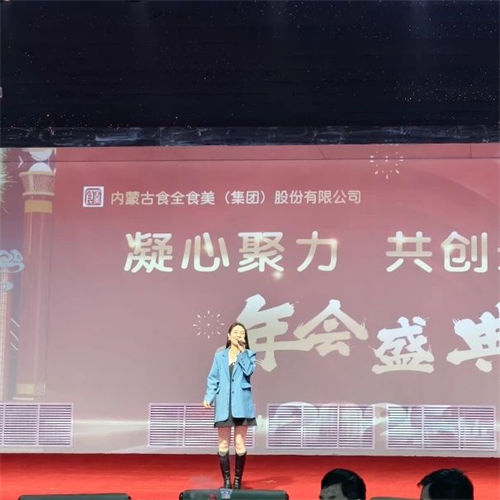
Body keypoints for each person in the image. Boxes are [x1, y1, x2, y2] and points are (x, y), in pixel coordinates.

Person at [203, 322, 256, 490]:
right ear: (229, 336)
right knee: (223, 444)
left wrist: (242, 352)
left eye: (242, 333)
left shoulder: (249, 354)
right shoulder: (220, 356)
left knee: (240, 444)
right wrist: (209, 397)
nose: (239, 335)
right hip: (224, 405)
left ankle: (238, 480)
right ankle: (226, 480)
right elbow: (213, 378)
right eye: (236, 332)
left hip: (242, 404)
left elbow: (249, 371)